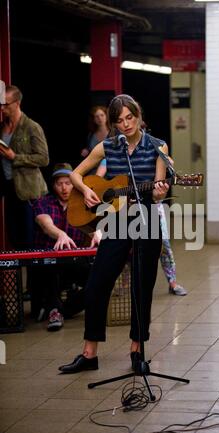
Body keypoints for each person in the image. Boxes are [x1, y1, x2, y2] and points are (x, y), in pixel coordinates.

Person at [58, 94, 169, 373]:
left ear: (138, 115)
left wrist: (159, 192)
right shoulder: (108, 146)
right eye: (119, 121)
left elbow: (157, 193)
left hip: (145, 219)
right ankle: (89, 354)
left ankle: (137, 351)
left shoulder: (158, 147)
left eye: (130, 118)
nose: (126, 124)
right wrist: (85, 191)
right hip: (117, 220)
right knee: (97, 284)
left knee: (142, 288)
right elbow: (76, 175)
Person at [96, 161, 187, 296]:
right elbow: (98, 179)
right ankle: (126, 283)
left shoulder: (151, 151)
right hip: (124, 208)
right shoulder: (112, 154)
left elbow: (170, 163)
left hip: (152, 206)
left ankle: (172, 282)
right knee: (125, 246)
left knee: (164, 244)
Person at [31, 163, 99, 331]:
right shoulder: (43, 202)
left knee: (99, 277)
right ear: (53, 185)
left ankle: (59, 309)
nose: (64, 188)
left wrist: (97, 234)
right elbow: (45, 224)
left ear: (74, 184)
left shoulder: (82, 204)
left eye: (68, 183)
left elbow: (91, 229)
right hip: (46, 262)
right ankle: (54, 310)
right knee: (52, 264)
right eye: (59, 183)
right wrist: (60, 234)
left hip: (72, 262)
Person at [0, 85, 49, 250]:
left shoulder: (31, 127)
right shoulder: (2, 127)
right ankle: (19, 276)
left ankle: (31, 276)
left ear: (17, 103)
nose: (3, 108)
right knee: (13, 238)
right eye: (1, 104)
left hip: (28, 190)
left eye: (6, 104)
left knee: (29, 240)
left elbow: (43, 159)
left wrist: (16, 157)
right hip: (9, 187)